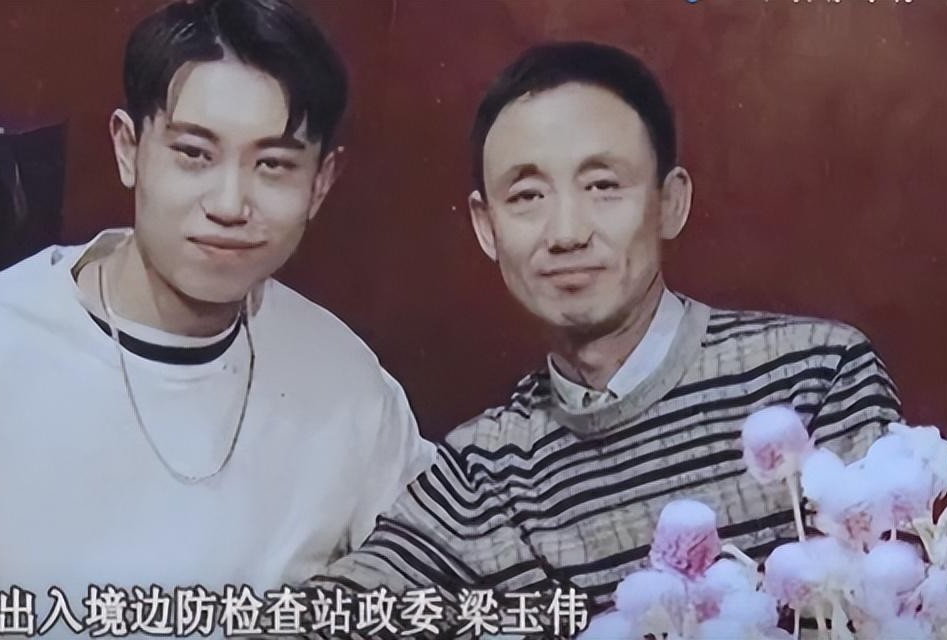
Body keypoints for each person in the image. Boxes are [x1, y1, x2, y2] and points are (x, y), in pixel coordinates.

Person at [0, 0, 433, 636]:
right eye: (193, 154)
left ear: (321, 182)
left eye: (273, 166)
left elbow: (445, 587)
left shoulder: (347, 387)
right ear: (128, 148)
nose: (228, 203)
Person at [300, 41, 901, 634]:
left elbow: (889, 605)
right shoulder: (482, 470)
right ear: (486, 227)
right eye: (527, 196)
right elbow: (336, 611)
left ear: (671, 202)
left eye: (603, 186)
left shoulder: (814, 377)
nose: (566, 233)